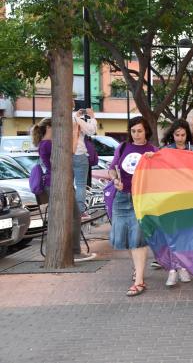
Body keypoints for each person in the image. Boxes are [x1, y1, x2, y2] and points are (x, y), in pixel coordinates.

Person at [32, 118, 95, 262]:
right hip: (57, 184)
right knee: (74, 216)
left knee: (73, 216)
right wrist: (74, 133)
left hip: (55, 183)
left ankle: (73, 250)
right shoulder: (48, 144)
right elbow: (70, 154)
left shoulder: (45, 144)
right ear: (49, 127)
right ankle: (74, 251)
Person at [108, 117, 158, 297]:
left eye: (140, 131)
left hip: (141, 199)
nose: (136, 135)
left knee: (138, 238)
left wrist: (154, 161)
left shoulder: (152, 151)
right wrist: (115, 180)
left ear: (146, 132)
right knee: (126, 239)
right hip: (122, 198)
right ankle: (137, 269)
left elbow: (160, 176)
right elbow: (112, 167)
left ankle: (139, 281)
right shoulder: (122, 147)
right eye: (133, 131)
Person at [159, 119, 193, 286]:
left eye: (183, 135)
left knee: (186, 236)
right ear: (172, 135)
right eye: (177, 135)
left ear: (187, 134)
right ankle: (173, 269)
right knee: (172, 235)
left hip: (190, 199)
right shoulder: (166, 150)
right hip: (171, 198)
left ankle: (182, 267)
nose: (180, 138)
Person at [72, 103, 98, 220]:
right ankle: (80, 211)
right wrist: (92, 116)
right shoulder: (76, 119)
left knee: (68, 184)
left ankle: (68, 209)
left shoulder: (59, 118)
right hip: (78, 153)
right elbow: (91, 130)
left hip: (64, 156)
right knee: (81, 185)